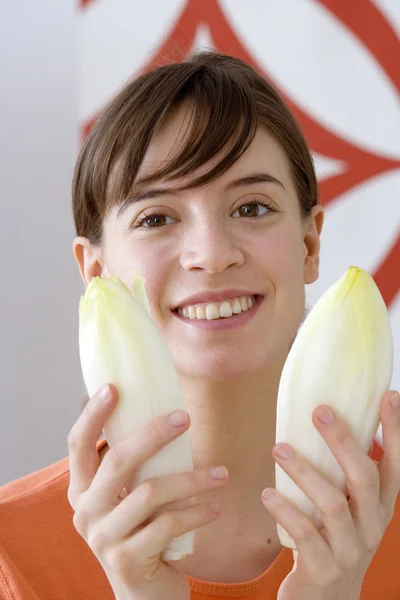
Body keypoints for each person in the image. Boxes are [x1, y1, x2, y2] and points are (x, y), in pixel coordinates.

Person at [1, 51, 399, 600]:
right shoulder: (11, 550)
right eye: (156, 218)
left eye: (252, 208)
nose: (210, 255)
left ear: (309, 245)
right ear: (96, 271)